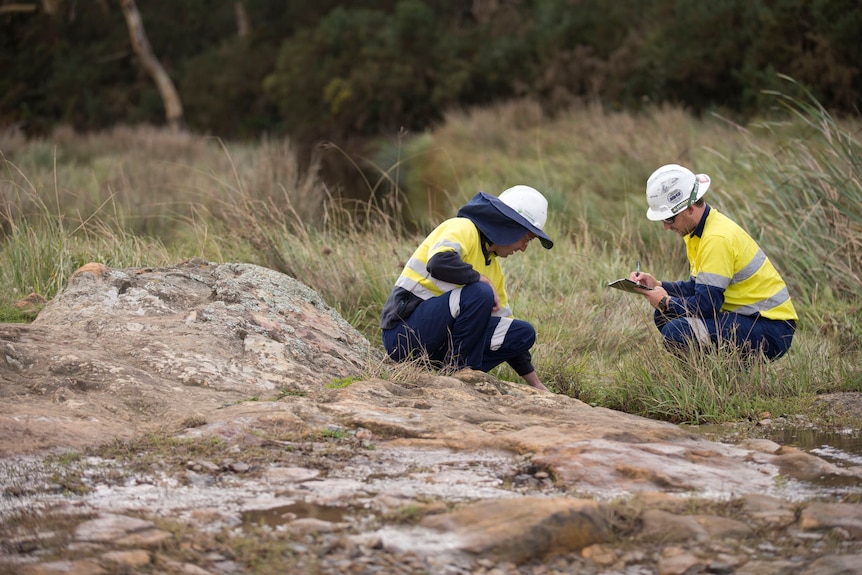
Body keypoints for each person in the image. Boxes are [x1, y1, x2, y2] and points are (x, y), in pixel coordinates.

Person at [380, 185, 554, 391]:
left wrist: (536, 384)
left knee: (522, 333)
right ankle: (461, 373)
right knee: (480, 293)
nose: (523, 248)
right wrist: (478, 278)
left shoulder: (493, 267)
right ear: (510, 226)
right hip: (404, 336)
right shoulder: (463, 228)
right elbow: (438, 263)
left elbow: (502, 323)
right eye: (526, 239)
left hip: (436, 347)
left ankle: (461, 372)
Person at [628, 163, 798, 360]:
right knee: (665, 316)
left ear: (690, 208)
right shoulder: (697, 232)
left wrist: (665, 301)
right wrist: (657, 285)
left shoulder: (716, 239)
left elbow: (706, 306)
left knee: (677, 330)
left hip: (771, 328)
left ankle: (725, 379)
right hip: (750, 319)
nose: (666, 226)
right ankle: (718, 376)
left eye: (670, 219)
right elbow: (697, 288)